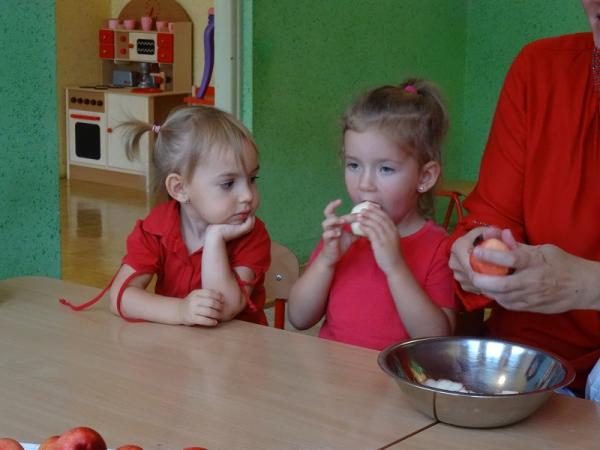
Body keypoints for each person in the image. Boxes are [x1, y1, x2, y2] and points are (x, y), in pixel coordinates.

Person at [448, 0, 600, 400]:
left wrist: (589, 284)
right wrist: (478, 250)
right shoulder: (540, 69)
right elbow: (488, 218)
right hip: (531, 359)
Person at [61, 106, 271, 326]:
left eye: (252, 179)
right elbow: (120, 298)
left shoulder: (253, 235)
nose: (248, 195)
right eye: (228, 184)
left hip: (241, 346)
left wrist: (214, 240)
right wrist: (180, 310)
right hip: (176, 344)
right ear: (180, 189)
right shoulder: (157, 228)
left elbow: (223, 309)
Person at [288, 79, 457, 350]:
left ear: (424, 177)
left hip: (397, 374)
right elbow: (298, 318)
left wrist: (395, 267)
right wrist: (326, 261)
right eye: (354, 165)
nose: (365, 184)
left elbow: (435, 341)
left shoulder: (438, 247)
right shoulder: (341, 238)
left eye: (385, 169)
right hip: (332, 371)